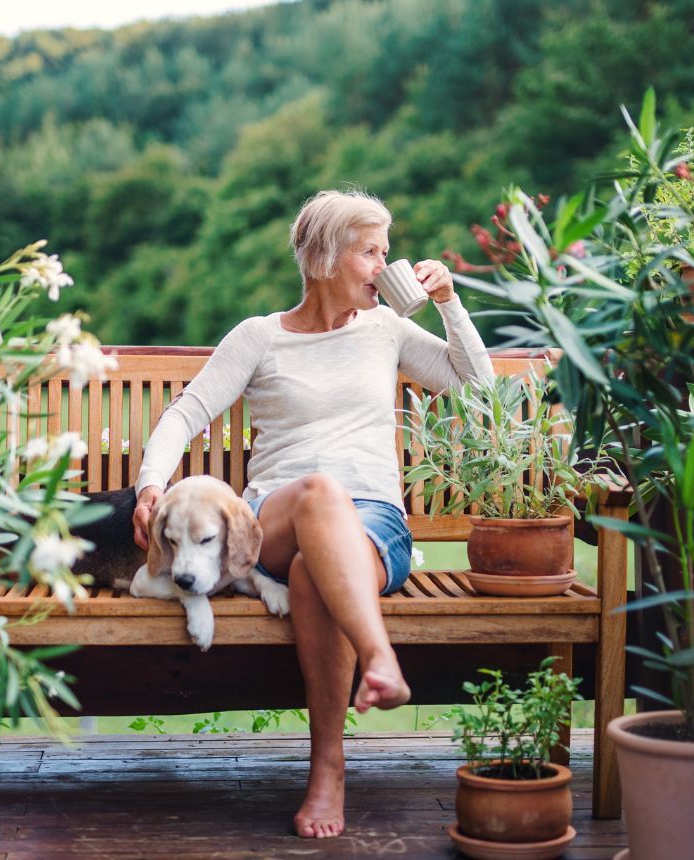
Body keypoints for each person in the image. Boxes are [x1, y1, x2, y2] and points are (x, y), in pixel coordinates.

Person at [132, 188, 493, 839]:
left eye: (386, 252)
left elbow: (479, 389)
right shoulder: (259, 337)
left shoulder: (386, 330)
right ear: (326, 258)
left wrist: (448, 301)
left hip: (374, 524)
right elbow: (186, 414)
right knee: (321, 493)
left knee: (310, 574)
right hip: (273, 519)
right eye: (371, 252)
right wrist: (149, 487)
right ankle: (380, 659)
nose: (385, 266)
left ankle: (328, 769)